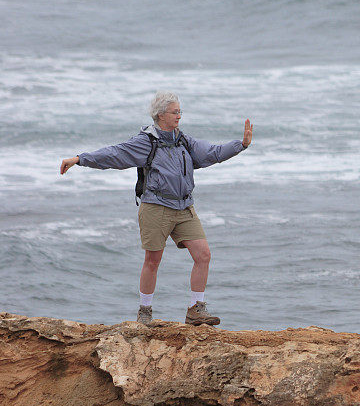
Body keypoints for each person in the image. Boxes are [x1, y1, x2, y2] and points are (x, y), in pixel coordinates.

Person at [60, 91, 252, 326]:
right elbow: (114, 154)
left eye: (180, 111)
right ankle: (145, 313)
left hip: (184, 207)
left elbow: (211, 153)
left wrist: (239, 145)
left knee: (203, 255)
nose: (179, 116)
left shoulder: (184, 140)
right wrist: (80, 159)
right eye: (175, 112)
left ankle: (196, 310)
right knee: (152, 260)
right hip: (156, 207)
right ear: (161, 115)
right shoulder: (146, 142)